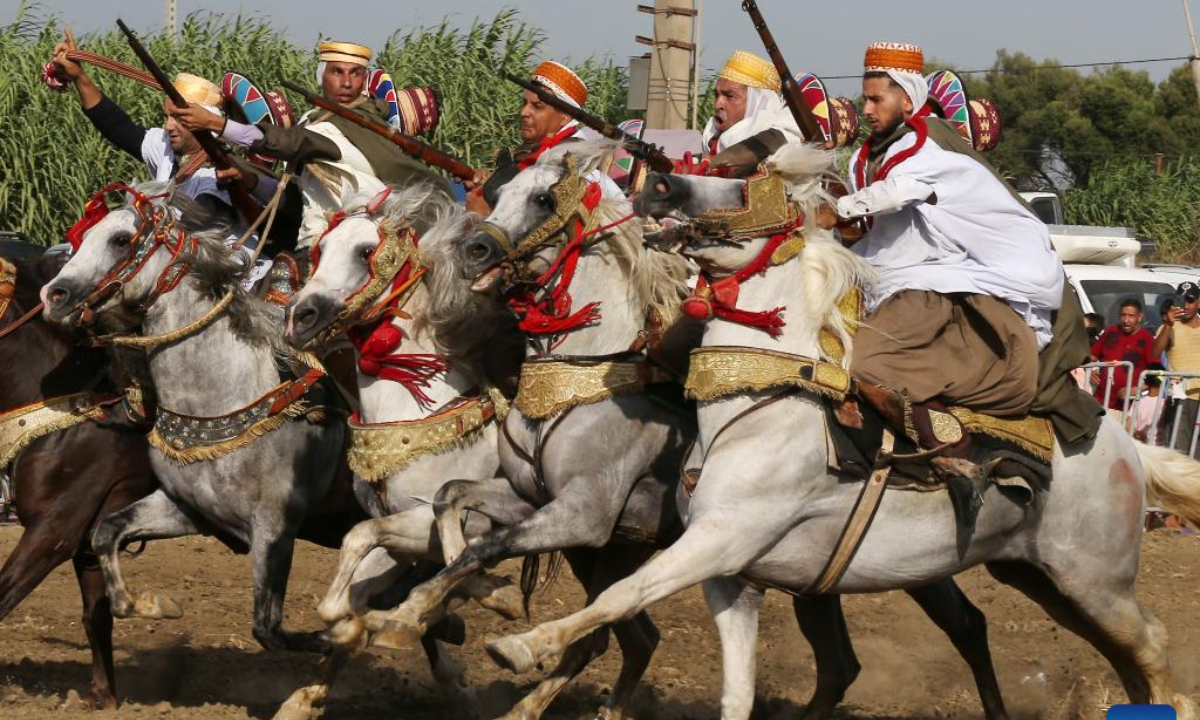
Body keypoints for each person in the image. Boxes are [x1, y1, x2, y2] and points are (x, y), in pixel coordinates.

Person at [824, 41, 1102, 523]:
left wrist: (836, 210)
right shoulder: (871, 154)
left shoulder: (928, 146)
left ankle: (953, 450)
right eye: (863, 100)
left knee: (866, 362)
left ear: (907, 101)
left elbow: (898, 192)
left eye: (876, 101)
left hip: (927, 284)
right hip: (879, 279)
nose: (864, 110)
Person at [170, 41, 449, 250]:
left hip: (355, 245)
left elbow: (294, 142)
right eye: (337, 72)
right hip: (313, 238)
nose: (347, 82)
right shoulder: (313, 120)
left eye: (356, 74)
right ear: (321, 76)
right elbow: (293, 194)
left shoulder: (349, 126)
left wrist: (215, 123)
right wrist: (248, 177)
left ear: (365, 80)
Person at [50, 29, 234, 221]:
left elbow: (199, 225)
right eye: (166, 117)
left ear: (202, 121)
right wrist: (79, 76)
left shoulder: (221, 171)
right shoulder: (166, 145)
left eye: (178, 118)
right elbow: (116, 126)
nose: (168, 126)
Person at [465, 60, 622, 217]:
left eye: (537, 106)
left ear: (565, 117)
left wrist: (486, 214)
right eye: (524, 103)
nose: (524, 112)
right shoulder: (531, 155)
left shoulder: (577, 171)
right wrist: (485, 186)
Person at [694, 50, 805, 175]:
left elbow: (738, 157)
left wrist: (700, 169)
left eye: (729, 96)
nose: (718, 105)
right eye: (717, 95)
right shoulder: (712, 136)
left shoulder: (783, 134)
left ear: (757, 101)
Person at [1154, 281, 1200, 452]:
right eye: (1182, 300)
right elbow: (1154, 354)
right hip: (1182, 399)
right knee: (1180, 452)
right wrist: (1168, 325)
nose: (1185, 305)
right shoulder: (1170, 327)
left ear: (1198, 303)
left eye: (1190, 300)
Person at [1090, 298, 1156, 411]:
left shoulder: (1147, 338)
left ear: (1139, 317)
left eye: (1131, 316)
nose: (1126, 320)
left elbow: (1158, 371)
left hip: (1128, 407)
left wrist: (1138, 388)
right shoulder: (1110, 332)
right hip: (1101, 402)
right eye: (1123, 315)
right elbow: (1092, 356)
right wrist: (1090, 371)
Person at [1127, 362, 1167, 444]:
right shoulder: (1164, 404)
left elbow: (1128, 424)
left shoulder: (1139, 400)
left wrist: (1136, 435)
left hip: (1136, 443)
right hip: (1154, 446)